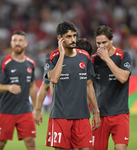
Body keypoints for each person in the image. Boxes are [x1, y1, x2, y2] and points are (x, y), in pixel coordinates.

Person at [35, 21, 100, 150]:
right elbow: (52, 79)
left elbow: (89, 86)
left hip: (82, 116)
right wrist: (62, 55)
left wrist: (96, 110)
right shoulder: (51, 57)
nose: (73, 39)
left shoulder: (85, 56)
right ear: (60, 38)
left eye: (74, 36)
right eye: (68, 36)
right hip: (60, 117)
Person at [0, 30, 37, 150]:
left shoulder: (31, 63)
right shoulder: (4, 62)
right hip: (6, 110)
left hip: (25, 110)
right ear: (11, 43)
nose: (18, 43)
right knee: (1, 143)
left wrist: (36, 108)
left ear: (26, 43)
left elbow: (32, 85)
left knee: (31, 143)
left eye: (20, 40)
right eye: (15, 40)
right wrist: (8, 87)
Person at [34, 38, 93, 126]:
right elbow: (44, 87)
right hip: (59, 114)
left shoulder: (86, 68)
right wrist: (38, 110)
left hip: (80, 116)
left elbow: (89, 90)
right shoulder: (56, 64)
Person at [91, 25, 133, 150]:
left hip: (120, 113)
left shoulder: (124, 56)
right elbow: (87, 86)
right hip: (100, 115)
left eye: (104, 42)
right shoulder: (93, 60)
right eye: (98, 43)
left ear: (111, 40)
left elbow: (123, 78)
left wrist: (107, 59)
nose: (101, 46)